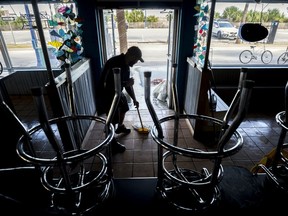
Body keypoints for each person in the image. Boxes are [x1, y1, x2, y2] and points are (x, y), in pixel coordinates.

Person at [98, 46, 144, 153]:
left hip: (117, 92)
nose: (136, 62)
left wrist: (134, 99)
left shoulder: (126, 65)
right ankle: (111, 143)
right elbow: (106, 85)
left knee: (124, 107)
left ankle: (120, 127)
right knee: (112, 119)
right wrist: (125, 83)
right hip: (106, 94)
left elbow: (127, 85)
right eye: (137, 60)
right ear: (132, 56)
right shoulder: (114, 63)